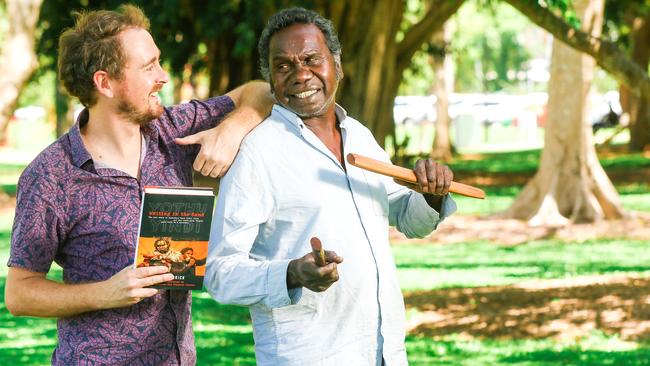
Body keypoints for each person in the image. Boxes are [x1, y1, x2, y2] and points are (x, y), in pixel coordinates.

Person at [5, 5, 273, 365]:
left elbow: (260, 92)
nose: (163, 76)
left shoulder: (174, 131)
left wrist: (233, 128)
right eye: (149, 67)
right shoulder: (51, 176)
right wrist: (105, 293)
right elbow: (19, 294)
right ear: (105, 83)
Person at [204, 7, 457, 365]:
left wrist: (431, 198)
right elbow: (219, 272)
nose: (300, 75)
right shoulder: (256, 153)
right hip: (310, 355)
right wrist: (291, 273)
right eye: (283, 66)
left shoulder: (360, 136)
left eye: (311, 59)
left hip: (383, 351)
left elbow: (405, 216)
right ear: (271, 78)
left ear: (336, 65)